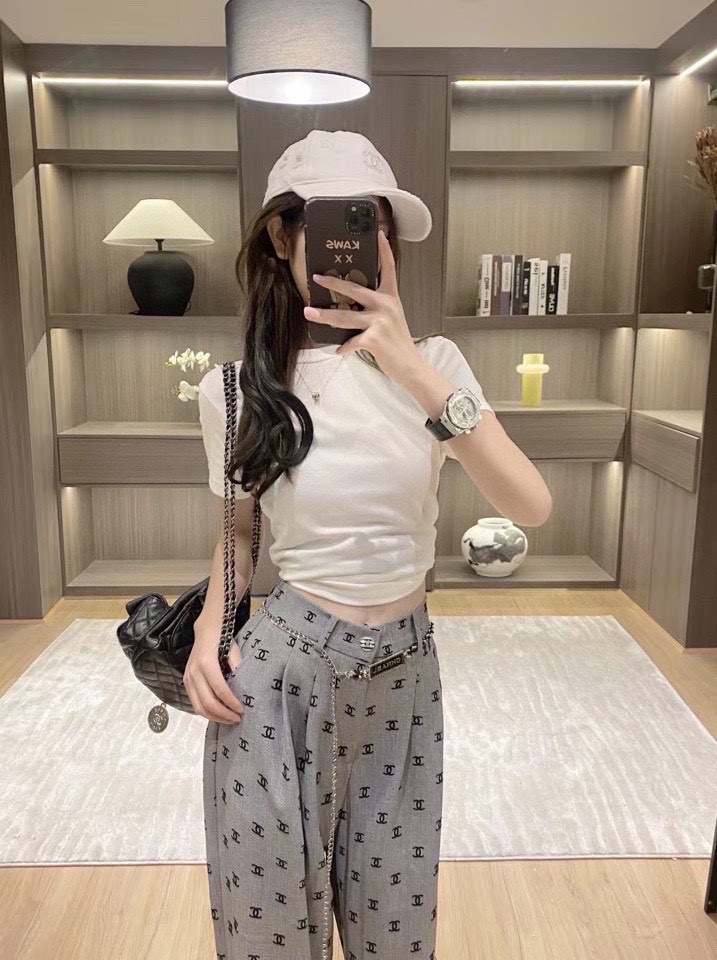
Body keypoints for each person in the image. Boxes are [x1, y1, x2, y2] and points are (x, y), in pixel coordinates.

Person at [188, 129, 551, 960]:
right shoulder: (235, 389)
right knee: (272, 936)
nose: (356, 245)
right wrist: (211, 629)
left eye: (372, 225)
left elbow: (528, 504)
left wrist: (410, 367)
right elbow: (237, 529)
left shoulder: (437, 365)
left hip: (405, 673)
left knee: (397, 932)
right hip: (281, 676)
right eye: (332, 224)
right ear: (281, 238)